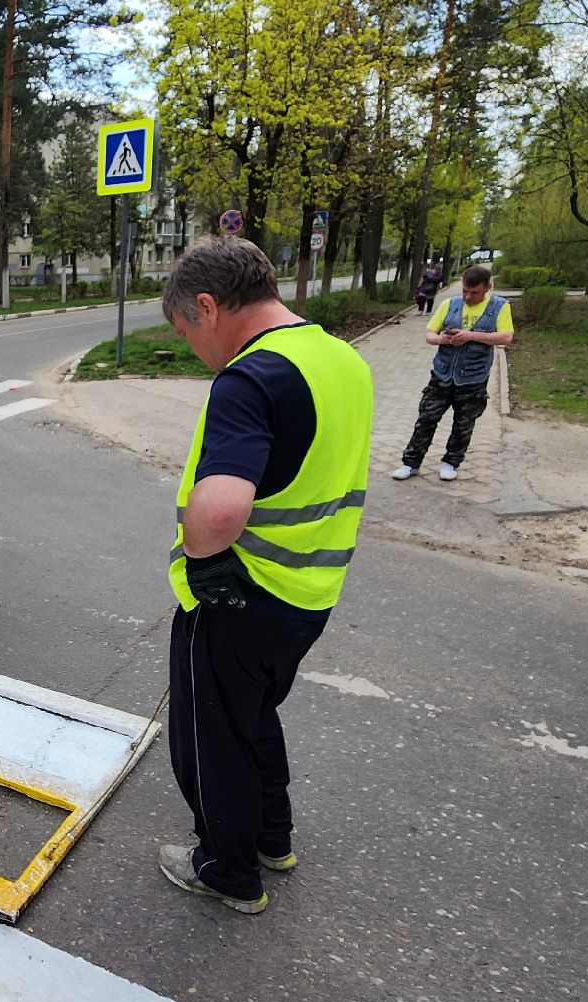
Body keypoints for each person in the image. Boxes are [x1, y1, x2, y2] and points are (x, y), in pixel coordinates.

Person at [155, 237, 374, 915]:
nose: (195, 348)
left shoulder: (251, 377)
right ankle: (273, 839)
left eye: (187, 331)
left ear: (208, 306)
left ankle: (228, 870)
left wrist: (206, 562)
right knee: (254, 718)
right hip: (310, 594)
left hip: (241, 596)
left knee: (211, 739)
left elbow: (220, 508)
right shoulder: (341, 359)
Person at [390, 264, 514, 483]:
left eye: (474, 292)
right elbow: (430, 334)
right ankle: (410, 463)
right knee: (426, 418)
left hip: (473, 378)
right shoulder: (450, 304)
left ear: (488, 287)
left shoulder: (499, 307)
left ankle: (451, 462)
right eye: (465, 290)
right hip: (442, 374)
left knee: (463, 423)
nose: (467, 296)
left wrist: (471, 335)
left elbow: (505, 337)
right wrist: (442, 339)